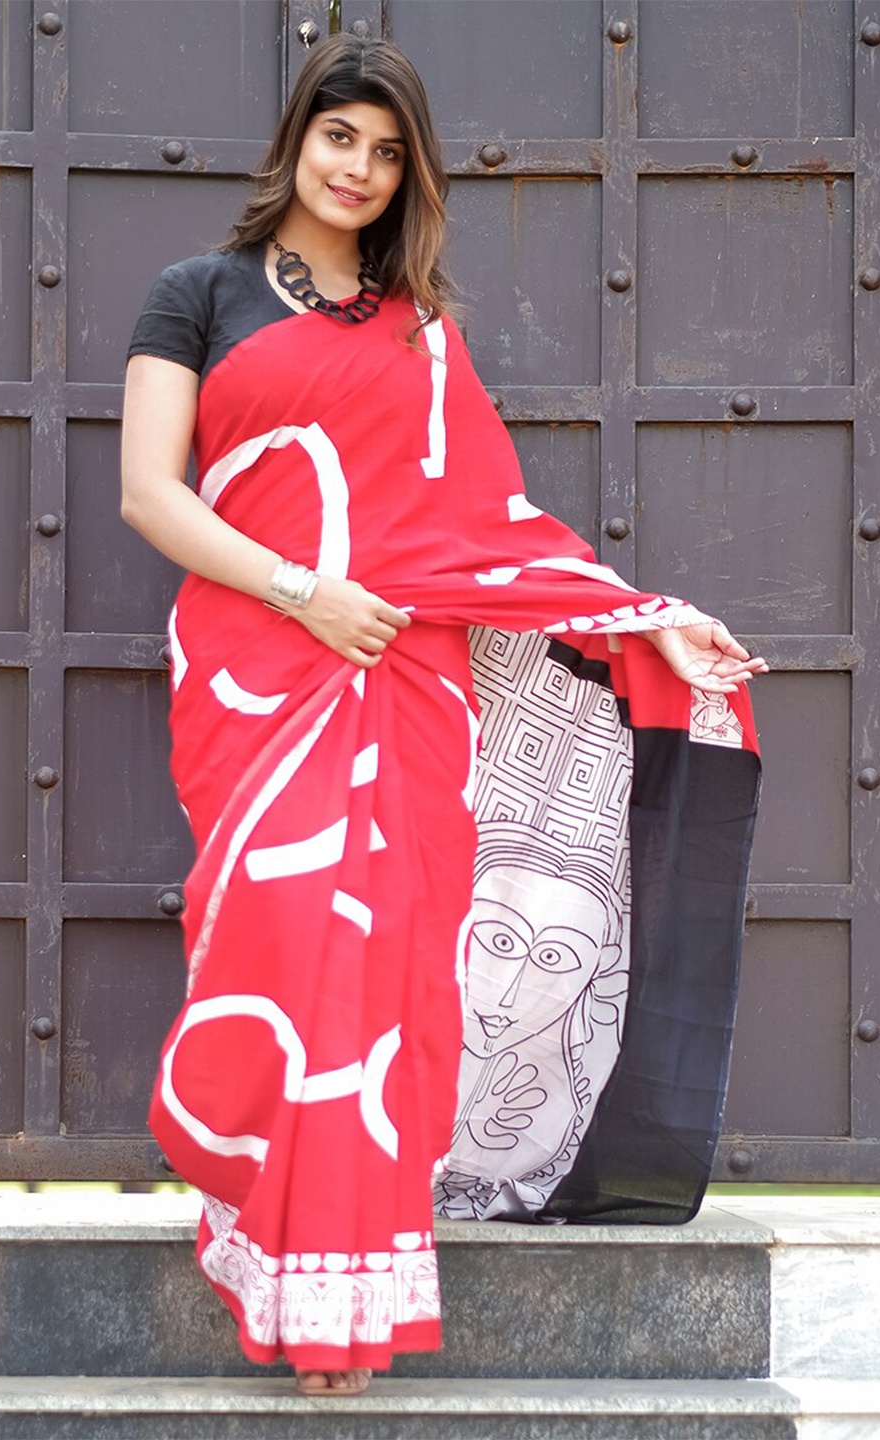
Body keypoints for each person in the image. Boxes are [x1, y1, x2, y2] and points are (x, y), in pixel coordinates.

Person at [120, 33, 767, 1397]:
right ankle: (273, 1252)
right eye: (339, 136)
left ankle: (345, 1310)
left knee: (382, 971)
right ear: (297, 137)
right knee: (287, 946)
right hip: (261, 670)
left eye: (388, 150)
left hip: (402, 680)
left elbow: (488, 526)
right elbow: (152, 497)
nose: (357, 168)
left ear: (410, 174)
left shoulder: (419, 334)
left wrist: (645, 616)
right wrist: (305, 593)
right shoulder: (200, 295)